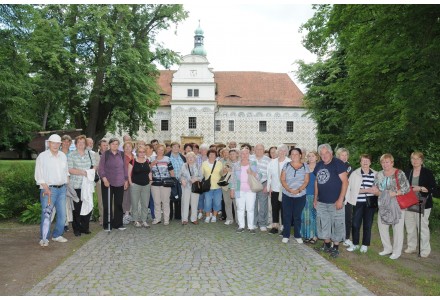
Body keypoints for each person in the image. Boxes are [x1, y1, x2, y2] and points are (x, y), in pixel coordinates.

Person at [371, 153, 410, 260]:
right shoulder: (379, 174)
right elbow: (376, 188)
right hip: (383, 204)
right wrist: (375, 191)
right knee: (382, 226)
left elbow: (406, 188)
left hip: (397, 204)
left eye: (387, 162)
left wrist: (394, 193)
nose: (385, 164)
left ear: (392, 162)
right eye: (383, 162)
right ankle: (387, 248)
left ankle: (397, 251)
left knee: (397, 228)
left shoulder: (399, 173)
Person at [313, 143, 349, 258]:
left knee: (337, 224)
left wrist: (340, 199)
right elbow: (316, 182)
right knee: (324, 224)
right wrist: (315, 199)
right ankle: (327, 245)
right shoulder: (318, 165)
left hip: (335, 202)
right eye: (322, 154)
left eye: (326, 153)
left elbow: (345, 182)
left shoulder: (338, 163)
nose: (324, 156)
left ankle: (336, 247)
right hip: (322, 202)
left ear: (331, 153)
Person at [35, 134, 69, 246]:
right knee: (46, 215)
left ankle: (57, 235)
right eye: (53, 143)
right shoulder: (42, 156)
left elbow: (66, 172)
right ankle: (43, 238)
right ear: (49, 143)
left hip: (62, 189)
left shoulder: (63, 156)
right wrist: (45, 188)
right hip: (49, 190)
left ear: (60, 144)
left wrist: (66, 183)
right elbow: (38, 175)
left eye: (57, 143)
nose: (55, 145)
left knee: (63, 215)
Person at [404, 151, 436, 258]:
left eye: (417, 159)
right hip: (409, 202)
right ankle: (411, 247)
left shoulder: (428, 172)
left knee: (422, 227)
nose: (415, 161)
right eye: (413, 158)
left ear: (421, 160)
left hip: (424, 203)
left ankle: (425, 250)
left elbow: (433, 189)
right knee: (410, 226)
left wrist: (420, 188)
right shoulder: (408, 172)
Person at [345, 154, 377, 253]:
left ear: (370, 162)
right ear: (360, 162)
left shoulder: (376, 174)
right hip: (358, 202)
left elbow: (378, 189)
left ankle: (364, 245)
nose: (365, 162)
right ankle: (355, 244)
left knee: (368, 224)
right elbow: (353, 190)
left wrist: (373, 190)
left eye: (367, 160)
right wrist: (367, 190)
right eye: (363, 160)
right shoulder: (355, 174)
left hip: (370, 204)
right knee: (355, 224)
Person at [68, 135, 96, 237]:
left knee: (88, 206)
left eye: (83, 143)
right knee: (77, 207)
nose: (81, 145)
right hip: (76, 185)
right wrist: (84, 172)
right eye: (79, 143)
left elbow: (94, 166)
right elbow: (70, 169)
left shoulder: (90, 154)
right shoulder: (71, 155)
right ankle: (77, 229)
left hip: (88, 185)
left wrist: (90, 173)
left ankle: (85, 227)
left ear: (85, 144)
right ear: (75, 144)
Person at [280, 148, 310, 244]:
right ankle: (286, 235)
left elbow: (306, 181)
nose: (294, 156)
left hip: (300, 195)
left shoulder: (305, 166)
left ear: (300, 155)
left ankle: (297, 235)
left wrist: (298, 190)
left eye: (296, 154)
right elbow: (282, 179)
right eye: (292, 154)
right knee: (287, 215)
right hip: (287, 194)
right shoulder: (286, 165)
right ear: (290, 156)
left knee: (297, 216)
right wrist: (289, 190)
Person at [98, 137, 128, 231]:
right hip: (108, 183)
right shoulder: (105, 154)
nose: (114, 146)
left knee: (119, 204)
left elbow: (125, 168)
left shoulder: (122, 154)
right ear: (110, 145)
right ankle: (107, 224)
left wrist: (126, 180)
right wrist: (104, 179)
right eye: (113, 144)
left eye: (116, 144)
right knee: (107, 204)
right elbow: (101, 168)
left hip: (119, 182)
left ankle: (118, 224)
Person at [230, 147, 260, 233]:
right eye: (243, 153)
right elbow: (233, 178)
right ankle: (241, 226)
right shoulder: (236, 165)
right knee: (240, 208)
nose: (244, 155)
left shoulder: (253, 164)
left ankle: (251, 227)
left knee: (250, 209)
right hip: (239, 190)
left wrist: (253, 173)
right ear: (240, 154)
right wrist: (232, 190)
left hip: (250, 190)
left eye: (246, 153)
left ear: (249, 154)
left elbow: (260, 176)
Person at [266, 144, 290, 235]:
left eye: (284, 150)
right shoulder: (272, 162)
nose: (282, 152)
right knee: (275, 208)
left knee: (285, 209)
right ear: (277, 152)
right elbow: (269, 176)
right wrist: (269, 187)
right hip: (274, 189)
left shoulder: (289, 162)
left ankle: (284, 227)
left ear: (286, 152)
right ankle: (275, 226)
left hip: (285, 189)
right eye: (280, 150)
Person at [150, 144, 175, 225]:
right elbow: (148, 170)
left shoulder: (167, 159)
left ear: (164, 151)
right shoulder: (152, 158)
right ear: (156, 150)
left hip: (166, 184)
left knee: (166, 202)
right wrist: (152, 164)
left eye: (162, 150)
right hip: (155, 184)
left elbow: (171, 171)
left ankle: (166, 219)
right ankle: (157, 219)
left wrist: (173, 180)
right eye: (159, 149)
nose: (160, 151)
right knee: (156, 202)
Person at [128, 145, 151, 228]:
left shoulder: (148, 161)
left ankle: (144, 220)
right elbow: (129, 174)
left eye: (143, 152)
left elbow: (149, 172)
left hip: (146, 185)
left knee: (145, 203)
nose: (142, 153)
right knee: (135, 204)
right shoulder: (132, 161)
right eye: (140, 152)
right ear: (137, 152)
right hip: (135, 185)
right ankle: (135, 220)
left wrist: (150, 181)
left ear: (145, 152)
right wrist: (131, 183)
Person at [336, 148, 354, 248]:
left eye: (346, 155)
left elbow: (344, 179)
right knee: (336, 218)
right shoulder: (334, 165)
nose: (344, 157)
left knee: (347, 217)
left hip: (347, 196)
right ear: (338, 156)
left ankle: (346, 238)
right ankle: (335, 237)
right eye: (342, 155)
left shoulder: (349, 166)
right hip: (335, 195)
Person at [301, 150, 319, 244]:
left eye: (313, 156)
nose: (311, 158)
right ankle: (307, 235)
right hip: (305, 194)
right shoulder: (305, 167)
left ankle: (314, 236)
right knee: (305, 215)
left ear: (316, 157)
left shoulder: (319, 167)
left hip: (315, 195)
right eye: (309, 156)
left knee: (314, 215)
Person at [179, 151, 203, 225]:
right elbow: (180, 175)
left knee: (194, 203)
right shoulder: (184, 165)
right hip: (186, 186)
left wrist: (196, 179)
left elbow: (201, 176)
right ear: (186, 159)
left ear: (195, 158)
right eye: (188, 157)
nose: (190, 159)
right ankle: (184, 219)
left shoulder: (198, 166)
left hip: (195, 187)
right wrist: (182, 180)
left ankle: (194, 219)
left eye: (192, 157)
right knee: (185, 202)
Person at [253, 144, 271, 232]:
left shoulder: (268, 160)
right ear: (254, 150)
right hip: (252, 184)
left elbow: (270, 174)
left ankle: (262, 223)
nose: (259, 151)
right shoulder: (250, 158)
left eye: (261, 149)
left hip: (264, 183)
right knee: (253, 204)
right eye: (257, 149)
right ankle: (254, 222)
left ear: (264, 150)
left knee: (263, 205)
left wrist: (267, 185)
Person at [202, 149, 224, 223]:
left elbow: (222, 174)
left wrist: (225, 171)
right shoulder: (204, 163)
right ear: (208, 155)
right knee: (207, 202)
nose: (212, 156)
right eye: (210, 154)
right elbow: (201, 174)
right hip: (208, 187)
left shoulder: (219, 163)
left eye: (213, 154)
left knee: (217, 202)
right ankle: (208, 216)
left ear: (216, 155)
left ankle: (214, 216)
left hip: (218, 186)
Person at [166, 142, 186, 220]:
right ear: (171, 148)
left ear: (179, 148)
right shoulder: (167, 157)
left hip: (180, 180)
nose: (175, 148)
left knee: (179, 197)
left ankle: (178, 215)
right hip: (170, 180)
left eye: (177, 147)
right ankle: (170, 215)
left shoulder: (182, 157)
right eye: (174, 147)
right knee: (170, 198)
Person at [60, 135, 73, 232]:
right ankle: (62, 222)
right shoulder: (58, 153)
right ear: (61, 142)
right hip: (59, 180)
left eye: (68, 142)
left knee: (68, 203)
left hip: (70, 180)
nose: (66, 143)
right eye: (64, 141)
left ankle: (66, 222)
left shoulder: (72, 154)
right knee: (60, 203)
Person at [95, 139, 108, 225]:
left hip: (111, 180)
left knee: (111, 200)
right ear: (99, 146)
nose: (106, 147)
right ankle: (102, 219)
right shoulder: (95, 155)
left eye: (107, 145)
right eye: (104, 145)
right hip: (100, 181)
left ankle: (110, 217)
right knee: (101, 201)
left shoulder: (111, 154)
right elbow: (95, 167)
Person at [122, 141, 135, 225]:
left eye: (129, 146)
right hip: (124, 179)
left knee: (132, 197)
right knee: (125, 197)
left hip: (134, 180)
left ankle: (130, 213)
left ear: (132, 148)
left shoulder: (135, 156)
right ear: (123, 148)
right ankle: (125, 214)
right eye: (126, 146)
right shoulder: (121, 157)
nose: (127, 148)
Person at [197, 143, 209, 219]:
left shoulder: (210, 158)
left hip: (208, 180)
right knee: (200, 197)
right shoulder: (196, 158)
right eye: (202, 149)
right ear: (200, 151)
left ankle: (209, 212)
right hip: (199, 179)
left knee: (208, 197)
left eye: (205, 149)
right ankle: (200, 211)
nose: (203, 151)